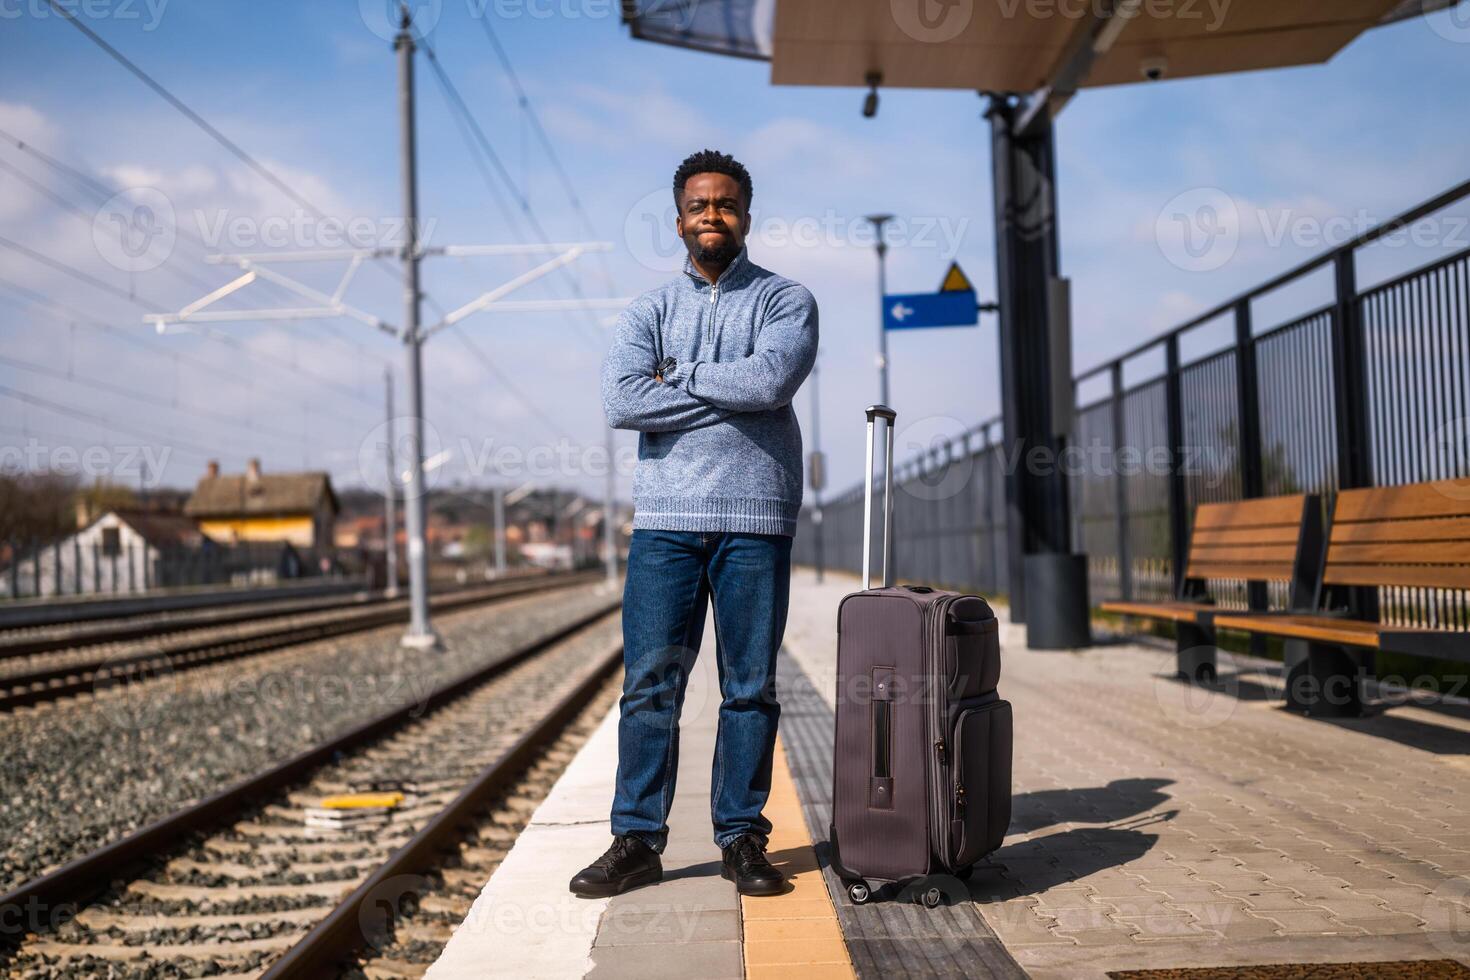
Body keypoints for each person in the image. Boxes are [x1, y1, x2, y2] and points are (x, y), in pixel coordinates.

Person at [570, 149, 818, 898]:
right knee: (650, 687)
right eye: (700, 204)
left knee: (748, 688)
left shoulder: (786, 301)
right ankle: (637, 841)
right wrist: (729, 389)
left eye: (727, 204)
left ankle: (741, 838)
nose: (714, 214)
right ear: (679, 220)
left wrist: (674, 377)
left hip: (755, 518)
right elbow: (621, 403)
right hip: (665, 525)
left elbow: (773, 378)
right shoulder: (647, 311)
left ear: (745, 216)